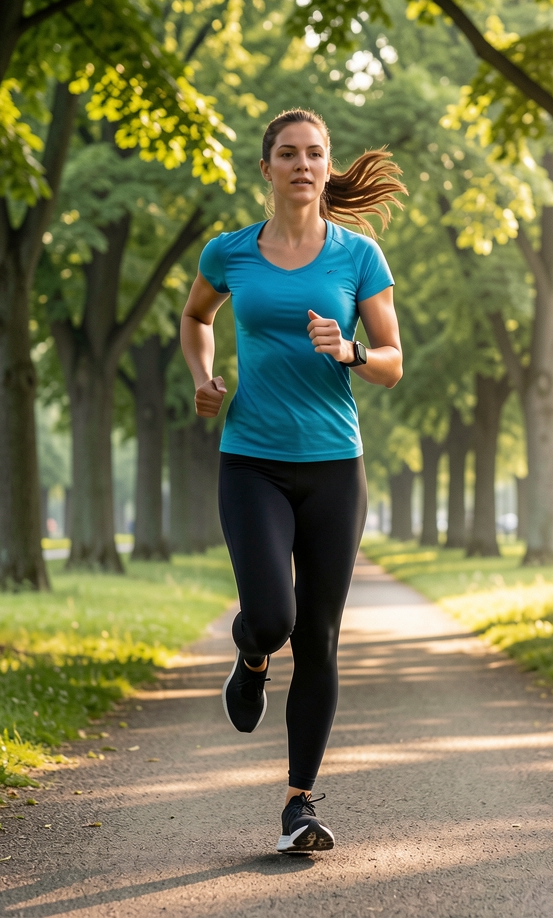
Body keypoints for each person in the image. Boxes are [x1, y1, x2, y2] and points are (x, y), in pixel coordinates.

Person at [180, 108, 405, 853]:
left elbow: (393, 362)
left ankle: (300, 804)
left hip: (335, 467)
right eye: (288, 153)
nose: (303, 165)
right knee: (272, 617)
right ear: (266, 169)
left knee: (320, 636)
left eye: (315, 154)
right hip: (251, 460)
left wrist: (347, 350)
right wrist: (204, 379)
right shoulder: (230, 253)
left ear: (327, 167)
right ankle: (250, 657)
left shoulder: (358, 255)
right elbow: (196, 318)